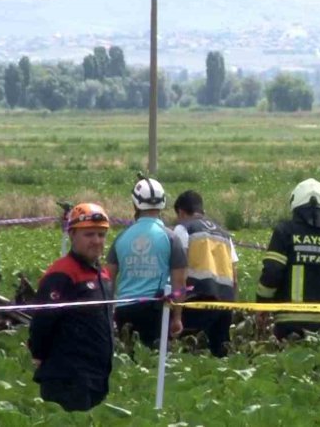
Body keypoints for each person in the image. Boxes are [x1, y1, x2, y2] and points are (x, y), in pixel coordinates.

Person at [28, 202, 115, 412]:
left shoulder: (102, 275)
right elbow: (43, 322)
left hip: (96, 377)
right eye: (89, 235)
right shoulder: (62, 274)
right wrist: (38, 354)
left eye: (101, 235)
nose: (96, 241)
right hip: (67, 378)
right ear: (72, 235)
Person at [255, 178, 320, 340]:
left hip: (289, 323)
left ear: (295, 204)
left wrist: (262, 304)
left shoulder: (285, 232)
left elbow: (272, 272)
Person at [106, 176, 187, 348]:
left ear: (135, 204)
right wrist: (178, 318)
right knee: (154, 366)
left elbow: (108, 280)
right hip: (155, 311)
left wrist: (108, 313)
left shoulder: (121, 238)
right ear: (163, 202)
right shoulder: (171, 238)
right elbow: (179, 283)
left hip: (123, 311)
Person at [172, 190, 239, 358]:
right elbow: (234, 277)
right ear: (202, 210)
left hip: (196, 301)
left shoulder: (183, 229)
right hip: (225, 302)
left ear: (181, 212)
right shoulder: (224, 234)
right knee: (220, 356)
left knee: (192, 356)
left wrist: (176, 309)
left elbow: (179, 269)